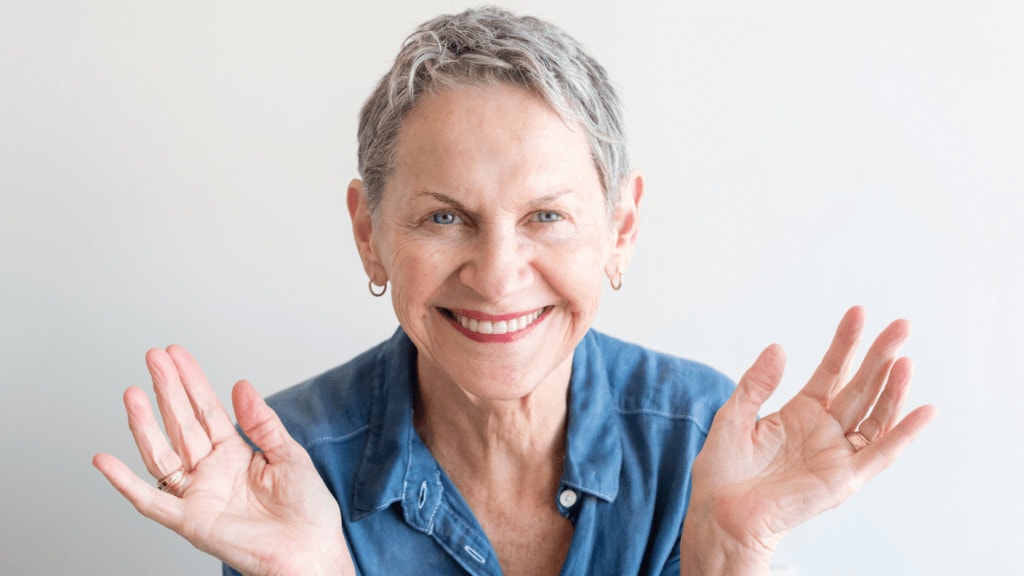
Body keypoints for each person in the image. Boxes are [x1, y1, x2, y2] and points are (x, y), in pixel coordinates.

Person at [93, 7, 936, 575]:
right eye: (445, 217)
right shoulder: (286, 468)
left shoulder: (710, 445)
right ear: (368, 231)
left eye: (546, 215)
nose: (497, 277)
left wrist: (721, 555)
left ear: (622, 227)